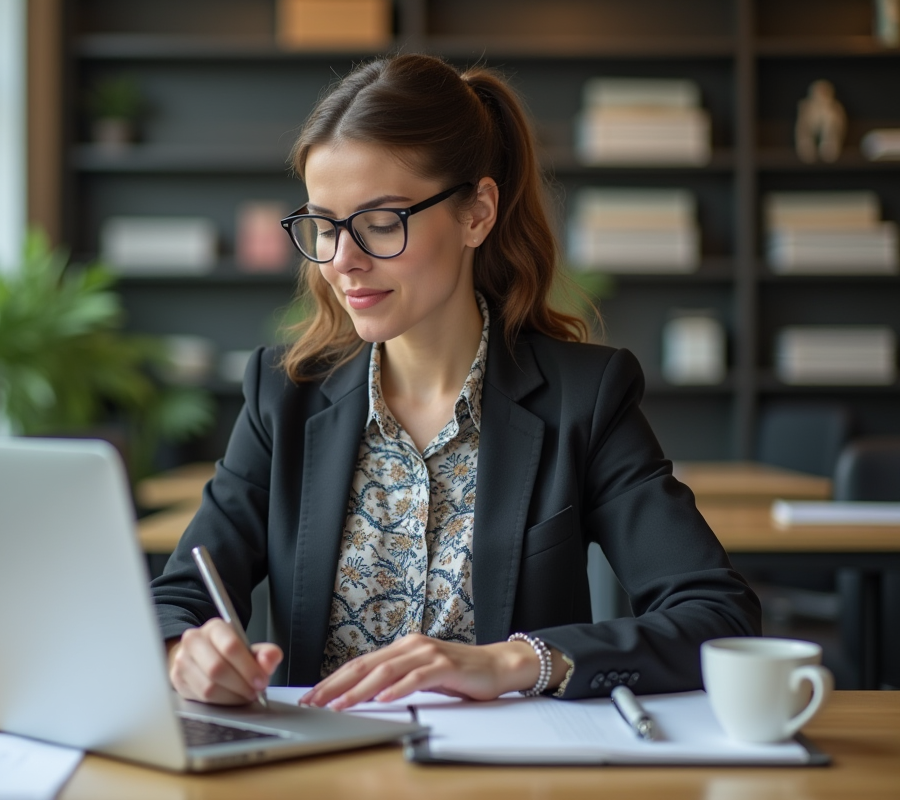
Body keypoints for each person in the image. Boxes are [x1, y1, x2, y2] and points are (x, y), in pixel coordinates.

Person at [151, 53, 760, 709]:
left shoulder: (584, 397)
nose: (342, 260)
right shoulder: (285, 395)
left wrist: (516, 662)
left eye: (381, 223)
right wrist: (186, 654)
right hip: (319, 770)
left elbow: (716, 615)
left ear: (476, 213)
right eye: (323, 226)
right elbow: (178, 599)